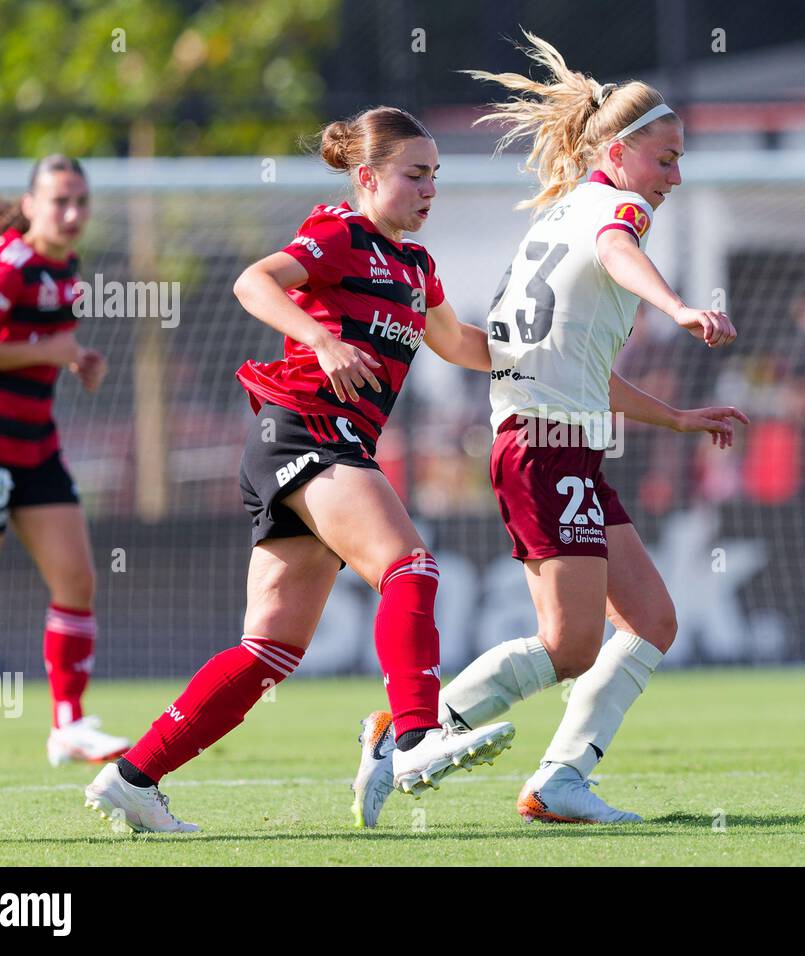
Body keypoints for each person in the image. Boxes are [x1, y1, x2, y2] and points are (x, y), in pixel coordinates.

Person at [351, 32, 747, 826]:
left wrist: (674, 416)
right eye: (665, 159)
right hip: (543, 448)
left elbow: (570, 361)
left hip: (554, 443)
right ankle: (401, 734)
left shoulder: (561, 214)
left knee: (652, 623)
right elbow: (620, 247)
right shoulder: (613, 214)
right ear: (624, 151)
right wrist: (677, 307)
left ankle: (561, 779)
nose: (674, 177)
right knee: (568, 645)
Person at [84, 107, 515, 834]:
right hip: (308, 434)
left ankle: (134, 777)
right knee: (409, 567)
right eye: (415, 174)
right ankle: (413, 737)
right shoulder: (340, 234)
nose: (429, 189)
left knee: (267, 653)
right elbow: (254, 283)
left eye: (435, 176)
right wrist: (319, 339)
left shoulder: (416, 268)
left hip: (315, 448)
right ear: (368, 177)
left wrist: (545, 350)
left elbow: (462, 346)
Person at [0, 157, 127, 762]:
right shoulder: (9, 261)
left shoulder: (67, 266)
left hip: (36, 444)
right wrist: (52, 346)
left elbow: (30, 346)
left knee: (77, 578)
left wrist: (75, 360)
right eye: (59, 201)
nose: (71, 214)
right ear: (31, 205)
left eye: (80, 202)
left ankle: (69, 723)